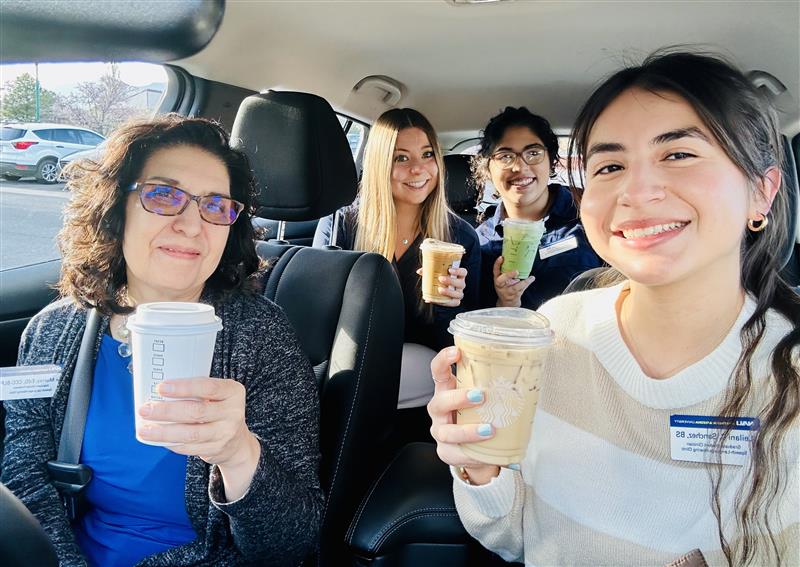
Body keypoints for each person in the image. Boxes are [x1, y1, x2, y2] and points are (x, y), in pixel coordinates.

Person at [427, 51, 799, 566]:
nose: (637, 191)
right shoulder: (556, 333)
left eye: (679, 155)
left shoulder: (787, 376)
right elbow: (518, 539)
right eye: (610, 165)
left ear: (762, 191)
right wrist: (479, 467)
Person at [2, 115, 324, 566]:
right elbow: (24, 482)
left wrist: (238, 455)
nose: (193, 225)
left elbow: (290, 544)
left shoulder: (264, 338)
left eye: (216, 206)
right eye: (164, 195)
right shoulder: (51, 332)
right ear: (115, 209)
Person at [314, 108, 480, 409]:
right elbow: (319, 323)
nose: (418, 169)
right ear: (379, 164)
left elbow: (462, 351)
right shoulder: (342, 225)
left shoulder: (461, 238)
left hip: (424, 377)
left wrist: (448, 306)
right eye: (401, 158)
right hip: (350, 363)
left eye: (428, 154)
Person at [473, 106, 602, 309]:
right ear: (488, 168)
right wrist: (506, 301)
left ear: (551, 161)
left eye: (533, 153)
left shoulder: (588, 214)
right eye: (505, 156)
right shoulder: (479, 241)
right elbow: (481, 323)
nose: (520, 167)